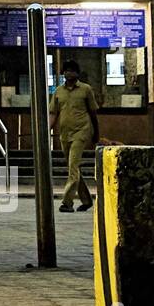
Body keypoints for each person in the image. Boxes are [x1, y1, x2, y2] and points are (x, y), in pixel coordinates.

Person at [50, 60, 99, 212]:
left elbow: (93, 112)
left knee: (72, 166)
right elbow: (53, 113)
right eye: (66, 71)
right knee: (74, 167)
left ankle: (67, 202)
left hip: (82, 132)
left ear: (77, 73)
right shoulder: (58, 91)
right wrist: (48, 131)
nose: (69, 73)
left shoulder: (86, 90)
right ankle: (86, 200)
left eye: (72, 71)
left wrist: (96, 132)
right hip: (65, 134)